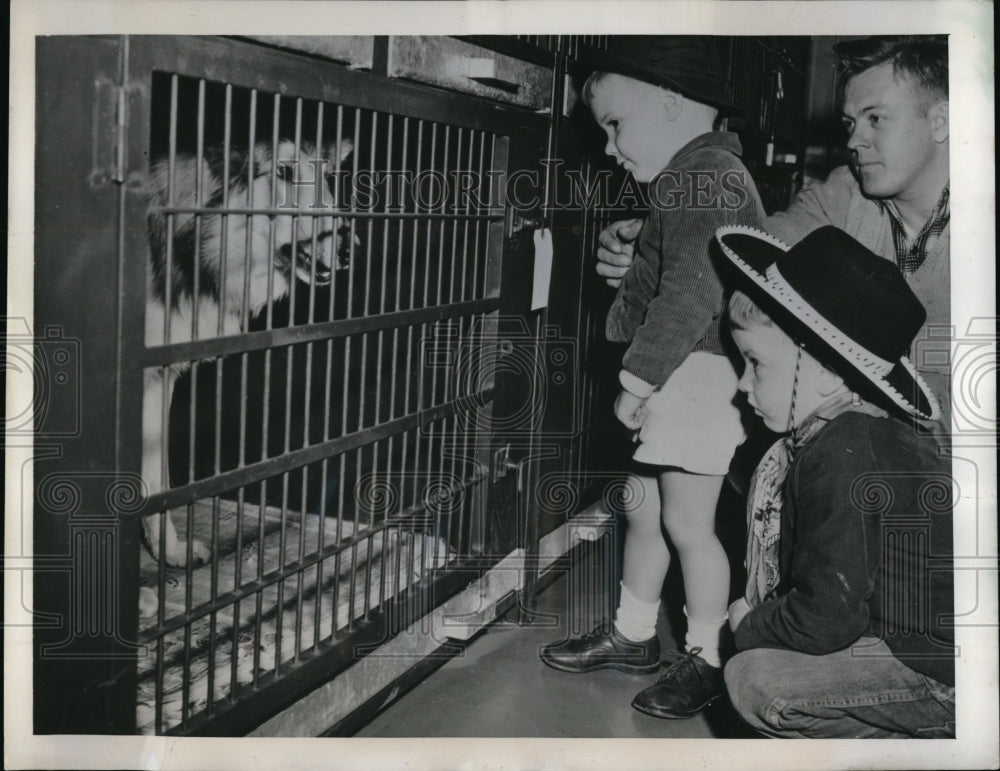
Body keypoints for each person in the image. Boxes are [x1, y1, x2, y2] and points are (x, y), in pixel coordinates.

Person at [539, 36, 765, 719]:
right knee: (642, 508)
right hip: (680, 377)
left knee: (690, 525)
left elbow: (689, 297)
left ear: (671, 103)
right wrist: (623, 336)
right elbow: (651, 282)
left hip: (700, 376)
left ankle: (708, 655)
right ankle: (634, 634)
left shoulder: (707, 178)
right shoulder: (687, 179)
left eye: (616, 124)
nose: (610, 148)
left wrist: (634, 382)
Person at [595, 36, 951, 433]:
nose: (853, 141)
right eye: (850, 123)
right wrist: (661, 240)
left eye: (875, 119)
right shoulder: (842, 195)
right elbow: (747, 252)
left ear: (940, 120)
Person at [714, 223, 954, 738]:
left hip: (940, 674)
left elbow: (826, 618)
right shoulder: (865, 431)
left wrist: (746, 624)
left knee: (755, 678)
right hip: (921, 643)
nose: (741, 381)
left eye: (755, 363)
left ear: (824, 374)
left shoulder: (843, 453)